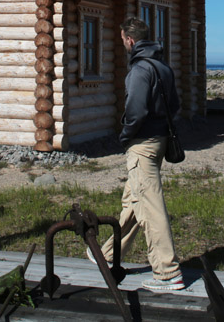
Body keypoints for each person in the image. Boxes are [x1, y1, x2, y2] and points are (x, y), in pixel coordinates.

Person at [95, 17, 185, 291]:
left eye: (123, 40)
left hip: (142, 143)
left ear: (130, 40)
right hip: (160, 140)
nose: (123, 44)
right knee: (135, 199)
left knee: (150, 206)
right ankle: (106, 254)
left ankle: (168, 272)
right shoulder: (163, 67)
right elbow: (176, 104)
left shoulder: (138, 70)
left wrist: (125, 135)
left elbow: (135, 110)